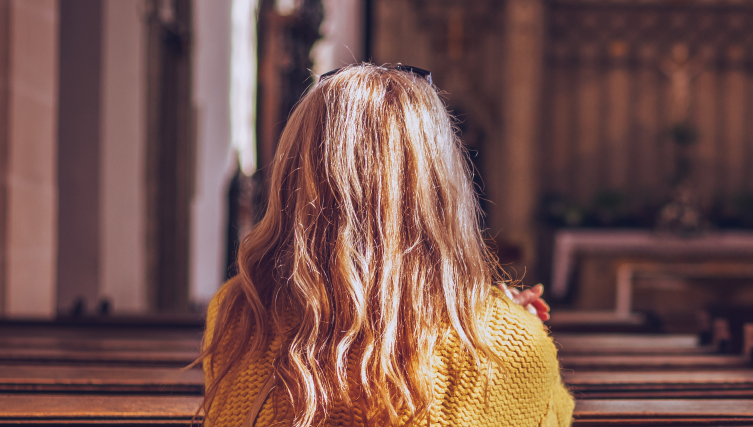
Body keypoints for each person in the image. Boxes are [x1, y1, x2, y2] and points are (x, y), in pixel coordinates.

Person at [199, 63, 572, 426]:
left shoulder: (238, 315)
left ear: (294, 179)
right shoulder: (515, 346)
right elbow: (547, 414)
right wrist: (500, 322)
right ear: (441, 188)